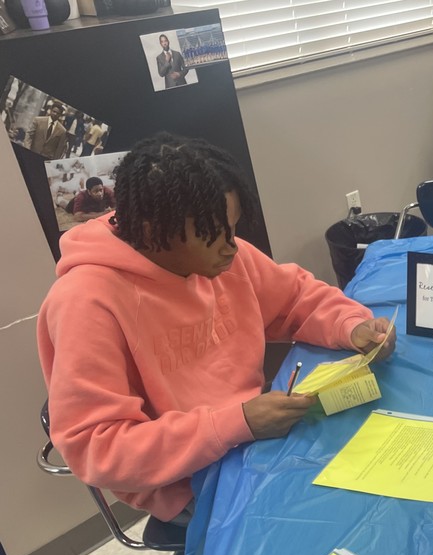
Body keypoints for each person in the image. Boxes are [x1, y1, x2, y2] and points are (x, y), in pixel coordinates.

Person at [38, 133, 396, 526]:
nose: (232, 246)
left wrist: (352, 325)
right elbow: (99, 449)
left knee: (375, 476)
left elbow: (295, 297)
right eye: (213, 233)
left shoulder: (222, 258)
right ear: (152, 229)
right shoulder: (85, 303)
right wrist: (235, 423)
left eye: (232, 228)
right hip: (186, 478)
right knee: (326, 524)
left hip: (249, 431)